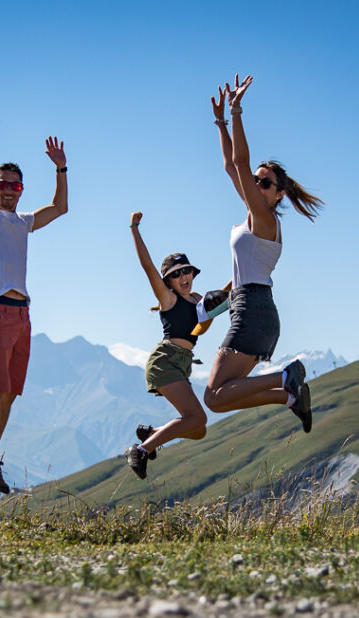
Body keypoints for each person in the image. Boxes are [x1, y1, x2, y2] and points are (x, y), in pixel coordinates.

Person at [203, 75, 323, 433]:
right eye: (256, 180)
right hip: (252, 308)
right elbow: (232, 167)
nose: (256, 184)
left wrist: (236, 111)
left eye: (265, 182)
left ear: (278, 194)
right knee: (220, 398)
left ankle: (286, 377)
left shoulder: (266, 220)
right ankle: (288, 395)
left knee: (214, 396)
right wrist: (220, 122)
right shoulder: (253, 217)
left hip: (254, 311)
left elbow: (240, 163)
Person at [0, 105, 68, 498]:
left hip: (22, 314)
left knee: (9, 392)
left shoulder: (23, 221)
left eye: (16, 185)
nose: (9, 189)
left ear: (21, 190)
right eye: (3, 184)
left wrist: (61, 168)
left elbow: (60, 208)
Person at [122, 212, 211, 479]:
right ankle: (140, 450)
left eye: (186, 271)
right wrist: (134, 228)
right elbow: (147, 266)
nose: (183, 276)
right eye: (176, 274)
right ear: (168, 281)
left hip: (181, 363)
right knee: (197, 418)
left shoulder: (198, 299)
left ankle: (151, 434)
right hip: (165, 361)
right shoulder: (168, 298)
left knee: (198, 429)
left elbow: (217, 306)